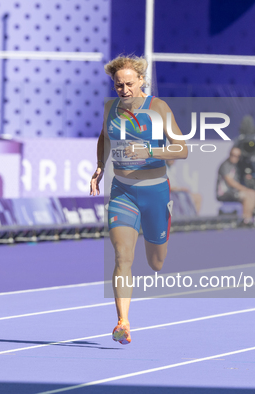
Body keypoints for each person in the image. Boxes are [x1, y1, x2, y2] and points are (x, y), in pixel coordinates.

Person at [90, 55, 188, 345]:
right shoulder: (111, 108)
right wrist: (99, 166)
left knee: (156, 263)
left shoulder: (157, 107)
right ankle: (123, 322)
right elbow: (103, 138)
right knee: (123, 256)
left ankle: (161, 229)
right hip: (122, 191)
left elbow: (181, 149)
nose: (124, 90)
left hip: (155, 191)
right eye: (118, 85)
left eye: (129, 84)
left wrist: (150, 152)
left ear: (142, 80)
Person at [216, 147, 255, 225]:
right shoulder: (225, 165)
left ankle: (248, 219)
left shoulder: (236, 166)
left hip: (234, 192)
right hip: (224, 193)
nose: (234, 158)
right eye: (232, 155)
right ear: (229, 154)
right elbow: (230, 182)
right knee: (246, 195)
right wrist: (244, 189)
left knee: (253, 193)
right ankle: (244, 220)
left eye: (237, 156)